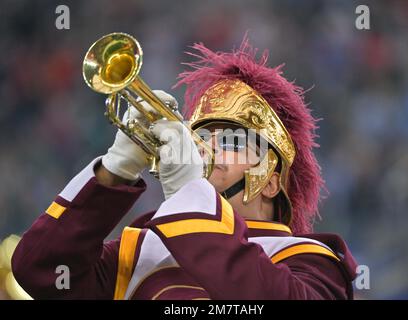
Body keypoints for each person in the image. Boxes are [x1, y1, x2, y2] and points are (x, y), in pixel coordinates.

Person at [12, 37, 357, 300]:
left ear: (269, 181)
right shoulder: (140, 249)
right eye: (202, 135)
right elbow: (39, 268)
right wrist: (115, 169)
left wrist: (189, 193)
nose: (205, 146)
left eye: (232, 141)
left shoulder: (313, 262)